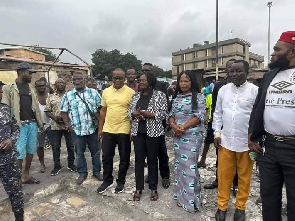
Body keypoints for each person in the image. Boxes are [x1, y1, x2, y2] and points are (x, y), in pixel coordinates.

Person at [249, 31, 295, 221]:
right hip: (268, 147)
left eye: (277, 49)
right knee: (268, 198)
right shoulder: (269, 76)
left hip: (293, 148)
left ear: (292, 51)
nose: (273, 53)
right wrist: (252, 135)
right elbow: (259, 106)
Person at [213, 60, 258, 221]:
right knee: (224, 175)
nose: (234, 74)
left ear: (247, 72)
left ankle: (240, 207)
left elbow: (259, 117)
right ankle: (222, 207)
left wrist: (256, 138)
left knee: (245, 177)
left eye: (238, 71)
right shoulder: (223, 90)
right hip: (225, 141)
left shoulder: (255, 91)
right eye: (231, 71)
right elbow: (217, 113)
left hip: (246, 143)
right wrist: (217, 133)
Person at [168, 70, 206, 213]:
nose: (183, 84)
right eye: (181, 81)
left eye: (186, 81)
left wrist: (182, 127)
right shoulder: (176, 97)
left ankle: (191, 201)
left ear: (192, 82)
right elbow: (171, 114)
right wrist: (173, 126)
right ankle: (180, 196)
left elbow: (199, 116)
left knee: (190, 168)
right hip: (178, 137)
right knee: (180, 167)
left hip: (192, 136)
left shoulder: (199, 97)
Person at [2, 62, 44, 185]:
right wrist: (8, 128)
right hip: (18, 126)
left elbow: (35, 107)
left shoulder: (30, 88)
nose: (31, 75)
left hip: (32, 124)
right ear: (21, 72)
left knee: (31, 151)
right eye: (29, 72)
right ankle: (17, 178)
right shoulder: (8, 88)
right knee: (19, 153)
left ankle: (26, 175)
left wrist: (40, 123)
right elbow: (6, 108)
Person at [127, 72, 167, 201]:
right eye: (140, 80)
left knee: (152, 160)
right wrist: (134, 114)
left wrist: (150, 114)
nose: (140, 82)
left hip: (153, 133)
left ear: (150, 81)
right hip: (138, 132)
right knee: (139, 160)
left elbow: (164, 113)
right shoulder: (136, 96)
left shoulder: (159, 95)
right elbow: (129, 113)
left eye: (143, 80)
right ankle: (138, 188)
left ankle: (153, 188)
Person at [97, 68, 135, 194]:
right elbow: (103, 110)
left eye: (120, 78)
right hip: (108, 129)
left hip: (124, 129)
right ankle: (107, 180)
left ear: (124, 79)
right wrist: (100, 128)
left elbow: (134, 113)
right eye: (115, 78)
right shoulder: (106, 92)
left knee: (124, 158)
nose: (117, 80)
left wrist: (132, 131)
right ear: (111, 78)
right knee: (107, 157)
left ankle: (121, 182)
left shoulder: (131, 92)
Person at [60, 72, 102, 185]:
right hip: (77, 131)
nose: (77, 81)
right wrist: (69, 126)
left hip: (92, 129)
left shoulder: (94, 93)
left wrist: (100, 127)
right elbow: (63, 112)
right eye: (75, 79)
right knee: (79, 153)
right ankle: (82, 173)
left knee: (96, 152)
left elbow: (101, 109)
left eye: (80, 79)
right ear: (72, 81)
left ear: (85, 80)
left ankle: (97, 172)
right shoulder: (68, 95)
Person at [204, 59, 239, 194]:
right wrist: (215, 129)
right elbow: (215, 109)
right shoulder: (219, 86)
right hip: (221, 129)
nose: (232, 71)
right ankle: (218, 180)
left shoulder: (246, 87)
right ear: (226, 70)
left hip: (238, 130)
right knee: (221, 157)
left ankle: (235, 184)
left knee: (237, 158)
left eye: (235, 68)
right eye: (230, 68)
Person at [142, 63, 171, 189]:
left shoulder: (161, 85)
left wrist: (165, 122)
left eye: (148, 70)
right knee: (149, 152)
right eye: (143, 70)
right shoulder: (141, 85)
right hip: (146, 125)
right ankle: (152, 174)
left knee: (162, 152)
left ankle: (165, 175)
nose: (146, 72)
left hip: (159, 124)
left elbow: (166, 105)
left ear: (153, 72)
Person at [0, 81, 24, 221]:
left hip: (8, 160)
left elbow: (16, 129)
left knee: (15, 192)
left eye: (0, 92)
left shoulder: (6, 110)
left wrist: (11, 140)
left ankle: (19, 217)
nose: (0, 95)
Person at [45, 78, 76, 176]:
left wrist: (68, 119)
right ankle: (57, 166)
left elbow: (74, 109)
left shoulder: (70, 96)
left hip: (68, 125)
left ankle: (71, 164)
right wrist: (55, 118)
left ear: (65, 85)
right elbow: (47, 110)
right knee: (55, 147)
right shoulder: (50, 97)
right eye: (59, 83)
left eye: (63, 82)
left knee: (70, 146)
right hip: (55, 126)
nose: (61, 84)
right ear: (55, 85)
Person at [35, 79, 51, 173]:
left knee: (55, 145)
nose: (41, 87)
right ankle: (42, 164)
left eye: (43, 86)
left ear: (46, 86)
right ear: (36, 87)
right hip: (39, 126)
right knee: (40, 146)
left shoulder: (50, 97)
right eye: (39, 86)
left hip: (51, 125)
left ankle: (57, 164)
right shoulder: (34, 98)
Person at [197, 91, 213, 168]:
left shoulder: (209, 96)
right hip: (211, 121)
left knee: (208, 142)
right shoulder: (209, 96)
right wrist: (206, 118)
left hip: (213, 120)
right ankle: (203, 159)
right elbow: (206, 108)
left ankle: (203, 159)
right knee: (207, 141)